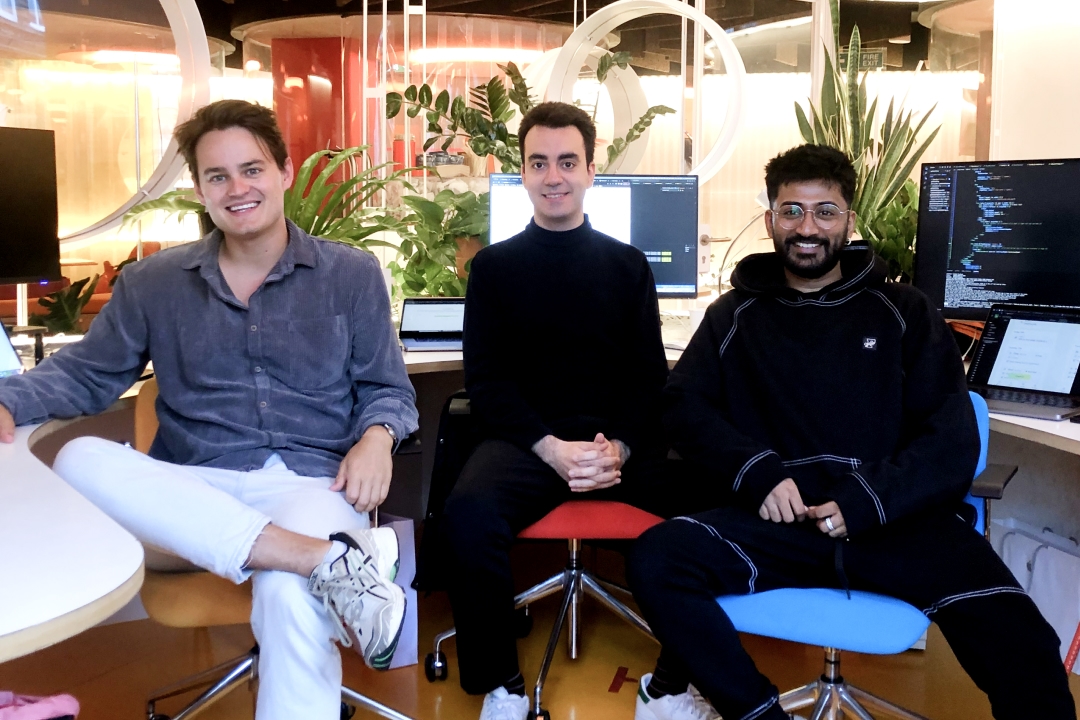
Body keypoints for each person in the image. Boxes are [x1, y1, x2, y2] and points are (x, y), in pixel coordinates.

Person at [0, 100, 419, 720]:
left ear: (284, 171)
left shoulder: (350, 275)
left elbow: (389, 388)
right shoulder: (153, 283)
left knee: (285, 591)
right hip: (191, 488)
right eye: (217, 176)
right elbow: (87, 376)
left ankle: (309, 564)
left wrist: (378, 436)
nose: (237, 188)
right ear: (200, 189)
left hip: (309, 482)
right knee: (81, 456)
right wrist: (5, 398)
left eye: (252, 169)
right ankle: (329, 561)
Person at [627, 144, 1076, 720]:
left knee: (1024, 642)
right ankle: (758, 713)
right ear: (770, 219)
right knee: (657, 560)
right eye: (791, 211)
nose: (806, 228)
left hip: (894, 523)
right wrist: (759, 473)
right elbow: (684, 408)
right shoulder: (733, 315)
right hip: (777, 524)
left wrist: (867, 501)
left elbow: (952, 441)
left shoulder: (905, 312)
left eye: (824, 211)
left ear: (849, 221)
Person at [439, 101, 670, 720]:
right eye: (538, 163)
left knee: (708, 502)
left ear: (591, 170)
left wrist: (617, 447)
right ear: (523, 173)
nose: (554, 176)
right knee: (467, 515)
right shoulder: (493, 268)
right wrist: (551, 448)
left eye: (568, 162)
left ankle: (675, 683)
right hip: (527, 445)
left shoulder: (627, 266)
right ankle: (501, 684)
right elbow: (486, 383)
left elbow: (650, 378)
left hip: (611, 447)